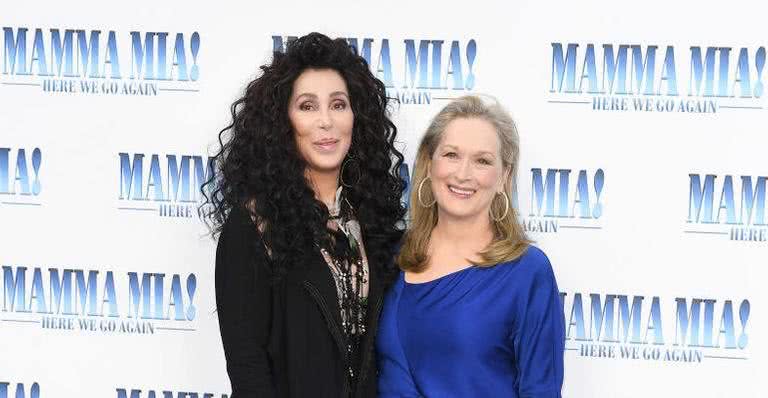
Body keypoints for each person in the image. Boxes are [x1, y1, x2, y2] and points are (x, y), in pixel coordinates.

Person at [200, 32, 406, 398]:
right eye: (307, 106)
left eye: (339, 104)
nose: (326, 121)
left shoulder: (373, 220)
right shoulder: (253, 226)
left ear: (357, 117)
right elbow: (248, 370)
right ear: (283, 121)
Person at [376, 95, 565, 397]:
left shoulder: (527, 272)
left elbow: (541, 389)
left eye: (482, 161)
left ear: (504, 176)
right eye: (451, 154)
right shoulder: (389, 255)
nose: (463, 174)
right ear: (428, 162)